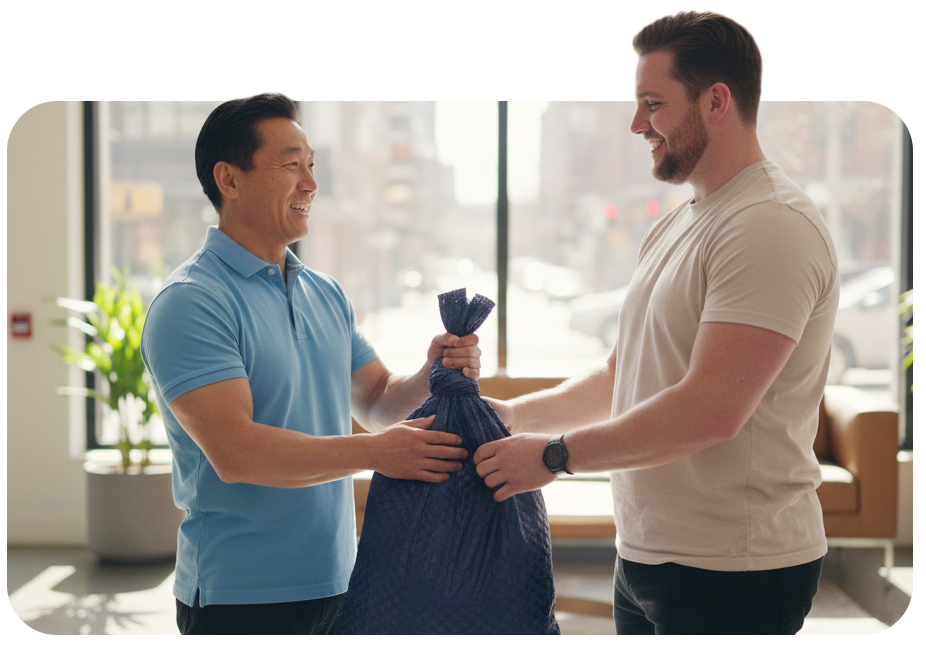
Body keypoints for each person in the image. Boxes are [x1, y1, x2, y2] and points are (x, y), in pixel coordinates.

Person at [473, 10, 839, 636]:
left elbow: (710, 410)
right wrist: (518, 417)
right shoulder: (678, 222)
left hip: (735, 569)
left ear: (716, 100)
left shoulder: (768, 226)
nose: (637, 123)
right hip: (647, 553)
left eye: (653, 104)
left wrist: (557, 456)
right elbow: (627, 373)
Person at [140, 93, 481, 636]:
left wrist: (429, 370)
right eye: (290, 164)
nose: (310, 184)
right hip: (240, 596)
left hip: (339, 581)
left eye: (312, 165)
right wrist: (375, 455)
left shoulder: (324, 292)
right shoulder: (191, 302)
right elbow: (236, 453)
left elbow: (375, 401)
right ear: (228, 179)